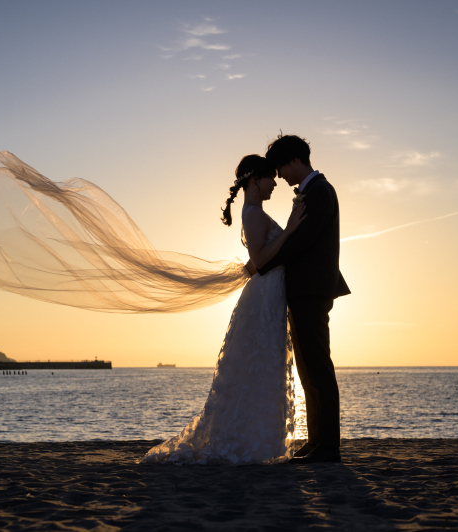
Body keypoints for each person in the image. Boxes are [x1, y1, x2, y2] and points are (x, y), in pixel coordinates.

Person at [139, 154, 307, 465]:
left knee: (259, 369)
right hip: (264, 297)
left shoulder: (254, 212)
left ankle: (257, 440)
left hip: (268, 292)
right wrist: (289, 229)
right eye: (270, 178)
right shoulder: (254, 213)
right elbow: (260, 258)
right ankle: (248, 443)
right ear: (255, 180)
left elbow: (254, 265)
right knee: (259, 366)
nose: (274, 183)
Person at [249, 134, 351, 464]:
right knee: (307, 368)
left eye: (280, 168)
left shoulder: (320, 191)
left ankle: (329, 446)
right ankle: (317, 440)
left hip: (312, 289)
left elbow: (301, 243)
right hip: (303, 290)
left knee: (318, 365)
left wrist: (263, 263)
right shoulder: (312, 191)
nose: (279, 176)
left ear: (295, 160)